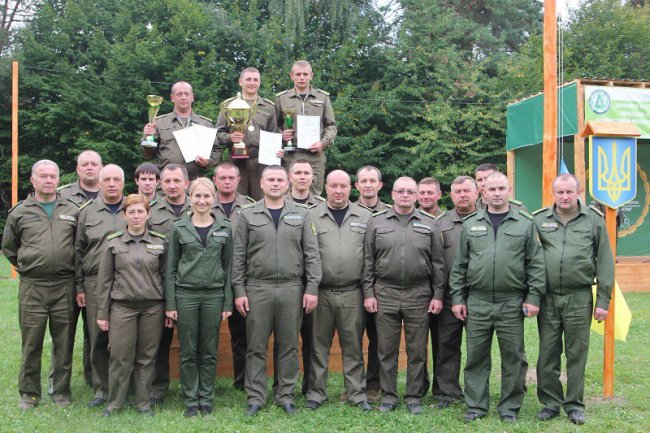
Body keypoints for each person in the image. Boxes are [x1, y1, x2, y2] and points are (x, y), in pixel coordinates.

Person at [449, 172, 546, 423]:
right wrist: (458, 298)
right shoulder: (471, 223)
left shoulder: (525, 223)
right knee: (476, 357)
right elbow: (460, 265)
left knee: (513, 357)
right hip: (477, 300)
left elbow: (535, 264)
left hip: (511, 301)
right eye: (491, 189)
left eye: (501, 188)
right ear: (483, 192)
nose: (496, 193)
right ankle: (476, 406)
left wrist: (533, 297)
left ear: (509, 189)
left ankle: (510, 407)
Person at [232, 165, 321, 416]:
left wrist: (311, 287)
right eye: (270, 179)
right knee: (256, 345)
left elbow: (312, 255)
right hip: (257, 288)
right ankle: (256, 396)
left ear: (287, 183)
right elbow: (238, 257)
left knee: (289, 345)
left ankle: (285, 395)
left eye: (280, 179)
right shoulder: (248, 215)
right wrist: (239, 290)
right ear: (261, 183)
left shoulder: (302, 214)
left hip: (292, 289)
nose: (275, 184)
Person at [533, 174, 614, 425]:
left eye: (570, 192)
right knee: (547, 353)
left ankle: (574, 404)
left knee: (577, 353)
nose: (565, 197)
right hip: (547, 298)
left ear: (579, 191)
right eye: (560, 192)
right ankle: (550, 402)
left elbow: (605, 261)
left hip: (579, 296)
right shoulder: (539, 219)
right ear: (553, 193)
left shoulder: (594, 220)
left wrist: (602, 301)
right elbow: (531, 260)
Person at [363, 177, 446, 414]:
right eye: (401, 191)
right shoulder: (376, 222)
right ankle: (388, 396)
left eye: (411, 191)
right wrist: (369, 293)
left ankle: (413, 396)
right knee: (386, 349)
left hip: (418, 293)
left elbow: (439, 264)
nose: (405, 195)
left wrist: (438, 294)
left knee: (417, 349)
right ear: (392, 194)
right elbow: (368, 261)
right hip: (385, 292)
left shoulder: (430, 223)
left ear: (417, 195)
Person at [2, 160, 79, 410]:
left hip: (64, 285)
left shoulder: (72, 209)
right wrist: (29, 266)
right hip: (33, 286)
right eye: (43, 176)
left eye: (53, 176)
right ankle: (29, 394)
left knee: (64, 341)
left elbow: (79, 246)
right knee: (31, 342)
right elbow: (9, 247)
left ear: (58, 179)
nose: (48, 180)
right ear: (33, 180)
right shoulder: (20, 211)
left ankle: (60, 391)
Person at [305, 170, 373, 411]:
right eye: (333, 186)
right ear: (325, 188)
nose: (338, 190)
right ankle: (316, 393)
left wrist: (368, 292)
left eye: (343, 186)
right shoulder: (311, 215)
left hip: (352, 293)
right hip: (321, 292)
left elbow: (369, 259)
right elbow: (308, 255)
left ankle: (357, 393)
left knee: (353, 346)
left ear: (350, 188)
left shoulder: (364, 217)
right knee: (317, 346)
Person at [165, 178, 233, 417]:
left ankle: (206, 398)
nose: (202, 201)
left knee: (209, 349)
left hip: (214, 295)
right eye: (197, 196)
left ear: (213, 198)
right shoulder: (178, 227)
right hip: (186, 295)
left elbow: (229, 267)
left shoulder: (224, 227)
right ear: (189, 197)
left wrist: (227, 302)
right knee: (188, 350)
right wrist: (171, 303)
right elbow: (171, 268)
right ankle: (191, 400)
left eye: (206, 196)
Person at [96, 194, 167, 417]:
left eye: (140, 211)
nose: (136, 216)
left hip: (152, 308)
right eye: (131, 212)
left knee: (147, 357)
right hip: (122, 307)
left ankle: (143, 402)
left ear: (148, 214)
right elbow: (105, 280)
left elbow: (166, 277)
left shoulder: (159, 241)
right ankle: (114, 403)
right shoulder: (113, 241)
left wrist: (169, 308)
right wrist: (102, 313)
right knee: (119, 355)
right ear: (124, 215)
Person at [76, 164, 127, 409]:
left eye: (116, 179)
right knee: (98, 337)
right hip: (95, 281)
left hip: (128, 280)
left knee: (125, 338)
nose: (111, 184)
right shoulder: (87, 211)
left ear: (123, 183)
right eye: (107, 179)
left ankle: (126, 386)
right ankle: (101, 388)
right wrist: (79, 286)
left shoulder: (134, 207)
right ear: (99, 181)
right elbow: (78, 250)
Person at [428, 176, 478, 408]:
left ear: (477, 193)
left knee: (479, 346)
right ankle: (447, 392)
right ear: (450, 195)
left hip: (479, 294)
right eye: (457, 191)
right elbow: (435, 261)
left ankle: (477, 391)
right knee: (446, 344)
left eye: (467, 190)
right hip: (449, 295)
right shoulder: (441, 223)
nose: (462, 195)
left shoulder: (486, 219)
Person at [56, 149, 102, 387]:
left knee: (95, 331)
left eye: (94, 163)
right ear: (77, 169)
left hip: (96, 277)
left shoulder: (112, 195)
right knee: (64, 332)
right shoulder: (62, 195)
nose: (90, 167)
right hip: (66, 276)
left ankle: (93, 378)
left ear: (101, 168)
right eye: (85, 164)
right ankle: (59, 381)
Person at [147, 163, 191, 404]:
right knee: (159, 341)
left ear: (186, 183)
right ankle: (157, 389)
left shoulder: (201, 207)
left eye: (177, 181)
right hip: (158, 283)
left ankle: (191, 388)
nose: (172, 185)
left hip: (191, 286)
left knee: (191, 342)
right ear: (160, 185)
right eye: (167, 181)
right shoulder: (150, 211)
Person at [211, 162, 255, 391]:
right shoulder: (203, 205)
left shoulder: (250, 207)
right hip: (212, 279)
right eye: (222, 178)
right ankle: (207, 382)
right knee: (208, 334)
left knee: (242, 335)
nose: (226, 181)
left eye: (231, 178)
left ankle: (242, 381)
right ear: (215, 180)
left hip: (241, 280)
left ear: (238, 180)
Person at [281, 158, 323, 394]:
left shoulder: (321, 206)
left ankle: (311, 386)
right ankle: (284, 385)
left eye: (306, 172)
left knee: (312, 339)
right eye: (297, 172)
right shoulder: (277, 203)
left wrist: (314, 284)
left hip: (314, 283)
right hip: (288, 281)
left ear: (312, 177)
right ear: (290, 177)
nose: (302, 177)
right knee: (286, 339)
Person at [351, 165, 389, 403]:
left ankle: (374, 385)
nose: (367, 184)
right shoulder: (348, 210)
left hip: (380, 288)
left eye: (371, 180)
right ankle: (353, 386)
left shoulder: (389, 212)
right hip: (353, 287)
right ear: (356, 185)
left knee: (377, 338)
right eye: (363, 181)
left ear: (379, 185)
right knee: (352, 338)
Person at [216, 67, 278, 200]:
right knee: (236, 201)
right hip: (236, 162)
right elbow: (219, 134)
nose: (252, 83)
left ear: (259, 83)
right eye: (248, 79)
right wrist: (230, 137)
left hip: (261, 162)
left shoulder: (269, 107)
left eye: (255, 80)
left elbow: (274, 134)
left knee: (262, 202)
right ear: (240, 82)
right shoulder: (229, 105)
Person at [276, 60, 336, 195]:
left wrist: (323, 143)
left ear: (311, 75)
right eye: (298, 74)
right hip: (290, 154)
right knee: (288, 196)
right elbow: (274, 126)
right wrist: (281, 134)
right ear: (291, 76)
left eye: (305, 74)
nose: (302, 78)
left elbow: (331, 125)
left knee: (314, 197)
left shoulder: (323, 97)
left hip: (315, 156)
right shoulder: (282, 98)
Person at [141, 81, 221, 180]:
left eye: (187, 94)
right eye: (179, 94)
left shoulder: (205, 124)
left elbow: (217, 149)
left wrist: (208, 162)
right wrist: (147, 137)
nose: (183, 97)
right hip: (167, 181)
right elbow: (147, 155)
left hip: (195, 182)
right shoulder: (159, 123)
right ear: (172, 98)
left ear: (192, 97)